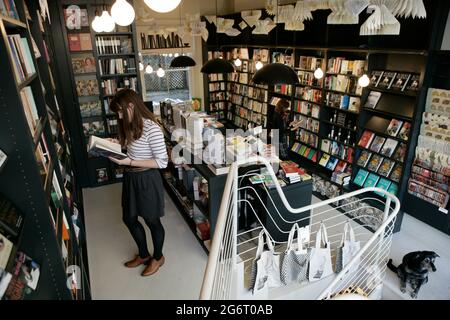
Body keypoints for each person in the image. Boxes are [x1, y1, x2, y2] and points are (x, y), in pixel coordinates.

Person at [108, 89, 169, 277]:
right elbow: (133, 148)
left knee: (152, 221)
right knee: (129, 218)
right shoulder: (130, 125)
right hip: (131, 177)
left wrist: (129, 162)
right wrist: (115, 145)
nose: (118, 115)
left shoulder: (152, 128)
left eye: (120, 111)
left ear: (131, 106)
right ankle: (143, 255)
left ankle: (157, 257)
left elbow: (162, 162)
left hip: (147, 179)